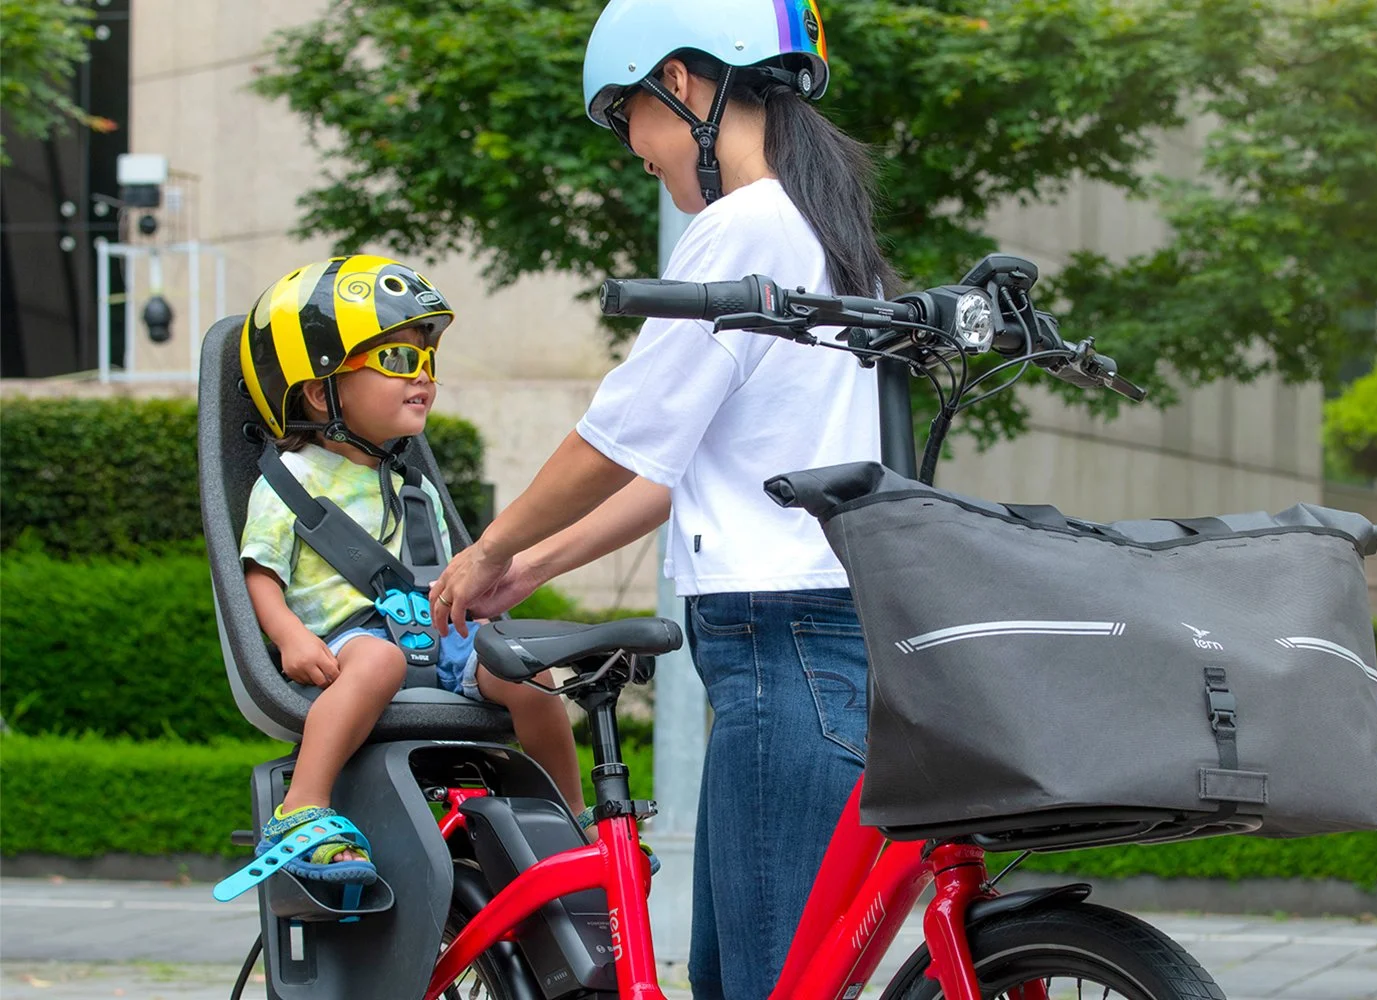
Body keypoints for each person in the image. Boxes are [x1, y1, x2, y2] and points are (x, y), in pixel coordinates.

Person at [428, 1, 896, 994]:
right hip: (805, 641)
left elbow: (616, 438)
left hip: (781, 644)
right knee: (742, 975)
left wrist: (484, 548)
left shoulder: (744, 225)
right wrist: (530, 565)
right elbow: (667, 477)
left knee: (772, 980)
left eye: (624, 116)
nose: (633, 149)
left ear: (682, 85)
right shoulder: (818, 225)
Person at [238, 255, 584, 884]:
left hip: (431, 634)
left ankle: (567, 817)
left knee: (530, 670)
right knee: (379, 659)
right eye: (399, 362)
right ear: (321, 390)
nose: (423, 378)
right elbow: (259, 571)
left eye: (428, 364)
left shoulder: (410, 483)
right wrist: (289, 636)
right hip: (346, 643)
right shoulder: (292, 482)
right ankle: (301, 809)